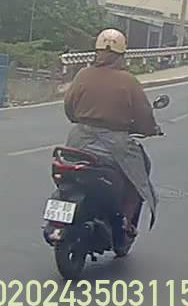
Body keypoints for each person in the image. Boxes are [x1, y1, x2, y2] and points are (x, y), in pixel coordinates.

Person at [63, 29, 159, 241]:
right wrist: (150, 129)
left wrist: (80, 120)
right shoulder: (128, 81)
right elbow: (144, 114)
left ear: (97, 52)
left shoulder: (83, 74)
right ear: (121, 55)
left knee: (68, 171)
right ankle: (125, 222)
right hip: (115, 144)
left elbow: (69, 106)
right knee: (137, 178)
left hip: (78, 139)